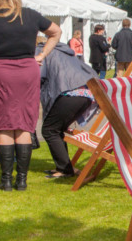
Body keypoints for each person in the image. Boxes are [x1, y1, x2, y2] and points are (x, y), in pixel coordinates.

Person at [0, 0, 62, 191]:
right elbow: (56, 32)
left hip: (1, 71)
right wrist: (42, 54)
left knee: (5, 124)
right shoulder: (31, 15)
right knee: (24, 123)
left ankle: (6, 181)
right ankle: (21, 181)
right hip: (27, 70)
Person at [37, 39, 96, 178]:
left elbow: (38, 75)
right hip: (86, 92)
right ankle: (63, 167)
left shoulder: (41, 52)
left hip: (69, 92)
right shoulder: (65, 50)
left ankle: (65, 169)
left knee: (49, 130)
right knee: (56, 129)